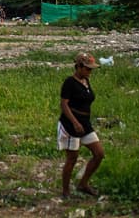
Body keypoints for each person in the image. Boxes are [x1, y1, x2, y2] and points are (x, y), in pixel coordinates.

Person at [59, 52, 105, 198]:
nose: (90, 72)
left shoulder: (86, 81)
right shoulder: (69, 82)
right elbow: (64, 104)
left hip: (85, 123)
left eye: (91, 69)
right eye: (87, 69)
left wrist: (82, 123)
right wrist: (75, 122)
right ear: (78, 67)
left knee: (99, 154)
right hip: (70, 124)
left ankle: (83, 184)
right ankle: (65, 191)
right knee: (72, 158)